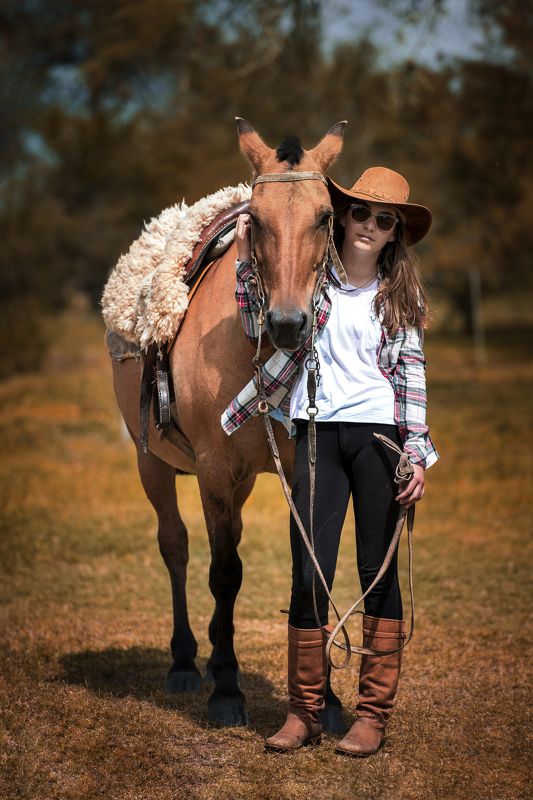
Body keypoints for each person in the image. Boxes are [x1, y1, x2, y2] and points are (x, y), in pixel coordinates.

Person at [232, 167, 438, 756]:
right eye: (361, 213)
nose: (370, 225)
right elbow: (255, 324)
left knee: (378, 573)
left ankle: (372, 715)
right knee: (308, 569)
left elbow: (411, 376)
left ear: (395, 232)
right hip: (316, 434)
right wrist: (246, 261)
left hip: (379, 440)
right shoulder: (313, 284)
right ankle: (304, 711)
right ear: (342, 218)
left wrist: (416, 452)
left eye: (384, 220)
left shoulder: (400, 296)